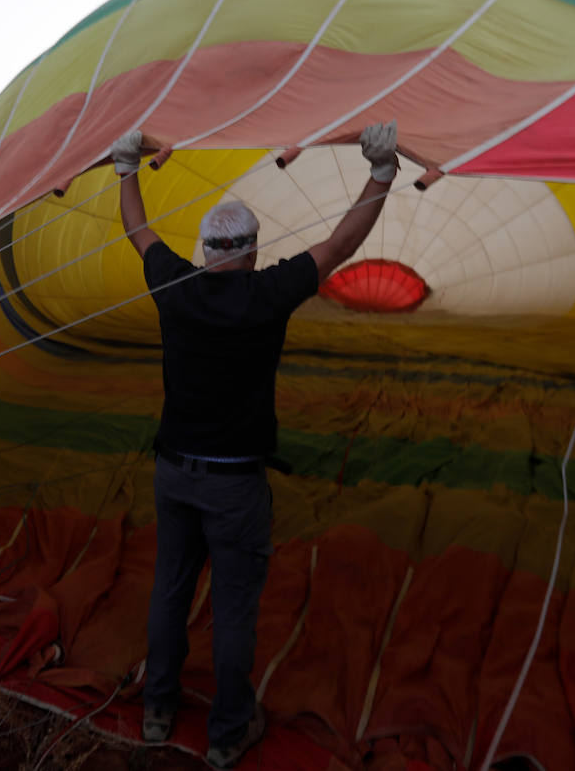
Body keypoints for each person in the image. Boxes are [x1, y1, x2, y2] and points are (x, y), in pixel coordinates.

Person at [115, 123, 400, 769]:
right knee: (234, 609)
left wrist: (125, 169)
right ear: (248, 252)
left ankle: (157, 711)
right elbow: (339, 246)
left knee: (170, 590)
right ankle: (227, 731)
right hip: (234, 486)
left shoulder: (174, 285)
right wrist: (380, 174)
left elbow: (139, 229)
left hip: (173, 473)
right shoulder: (265, 294)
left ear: (208, 250)